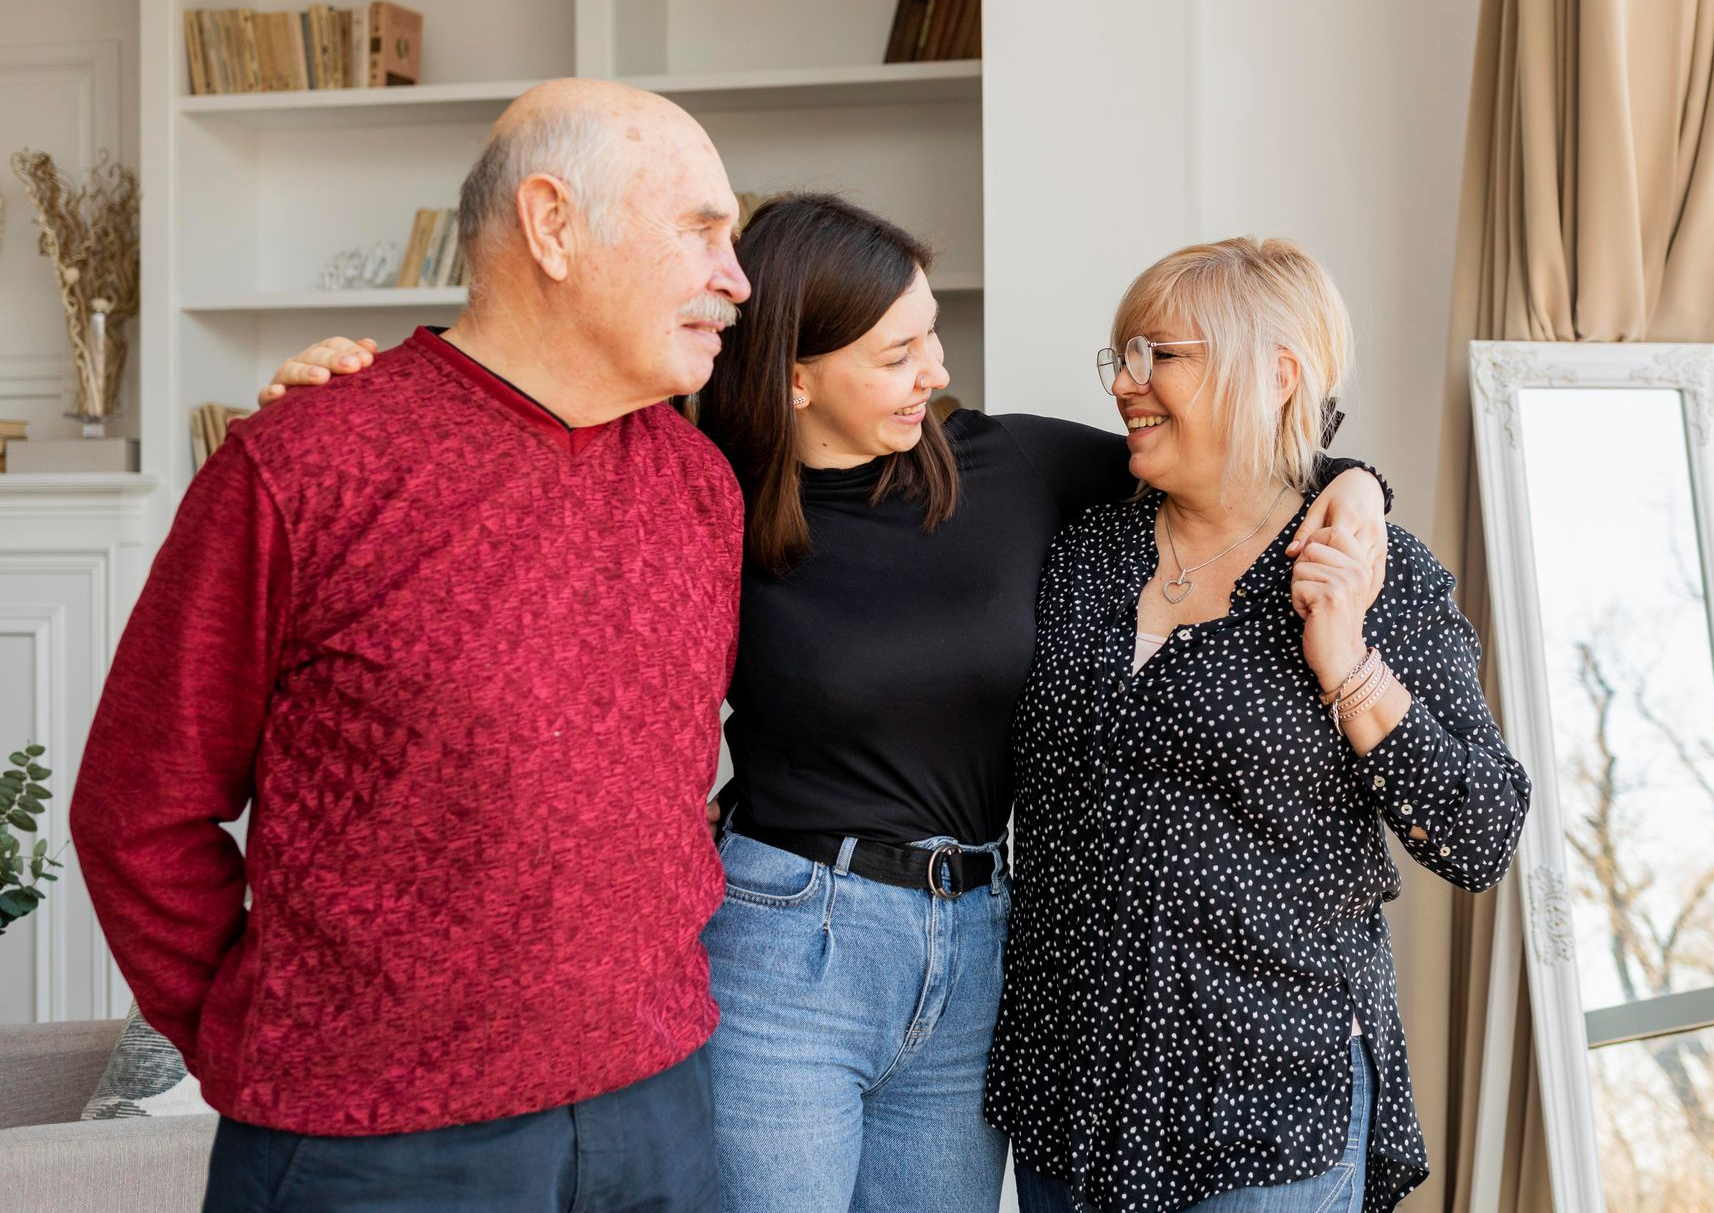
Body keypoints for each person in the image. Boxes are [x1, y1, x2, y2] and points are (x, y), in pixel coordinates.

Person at [262, 197, 1396, 1213]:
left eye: (932, 339)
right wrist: (340, 406)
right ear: (796, 373)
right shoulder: (688, 493)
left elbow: (1246, 461)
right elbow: (491, 480)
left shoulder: (1010, 470)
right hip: (785, 945)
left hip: (979, 948)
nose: (936, 374)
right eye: (899, 352)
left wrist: (1360, 495)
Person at [70, 79, 750, 1213]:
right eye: (700, 230)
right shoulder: (305, 465)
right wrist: (260, 1035)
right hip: (371, 1149)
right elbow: (138, 808)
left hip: (661, 1114)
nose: (736, 276)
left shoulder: (698, 485)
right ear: (553, 225)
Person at [988, 237, 1531, 1213]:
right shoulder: (1080, 550)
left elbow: (1481, 830)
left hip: (1268, 1112)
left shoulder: (1373, 571)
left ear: (1278, 373)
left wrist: (1349, 666)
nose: (1125, 385)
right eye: (1118, 357)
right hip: (1073, 1100)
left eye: (1161, 356)